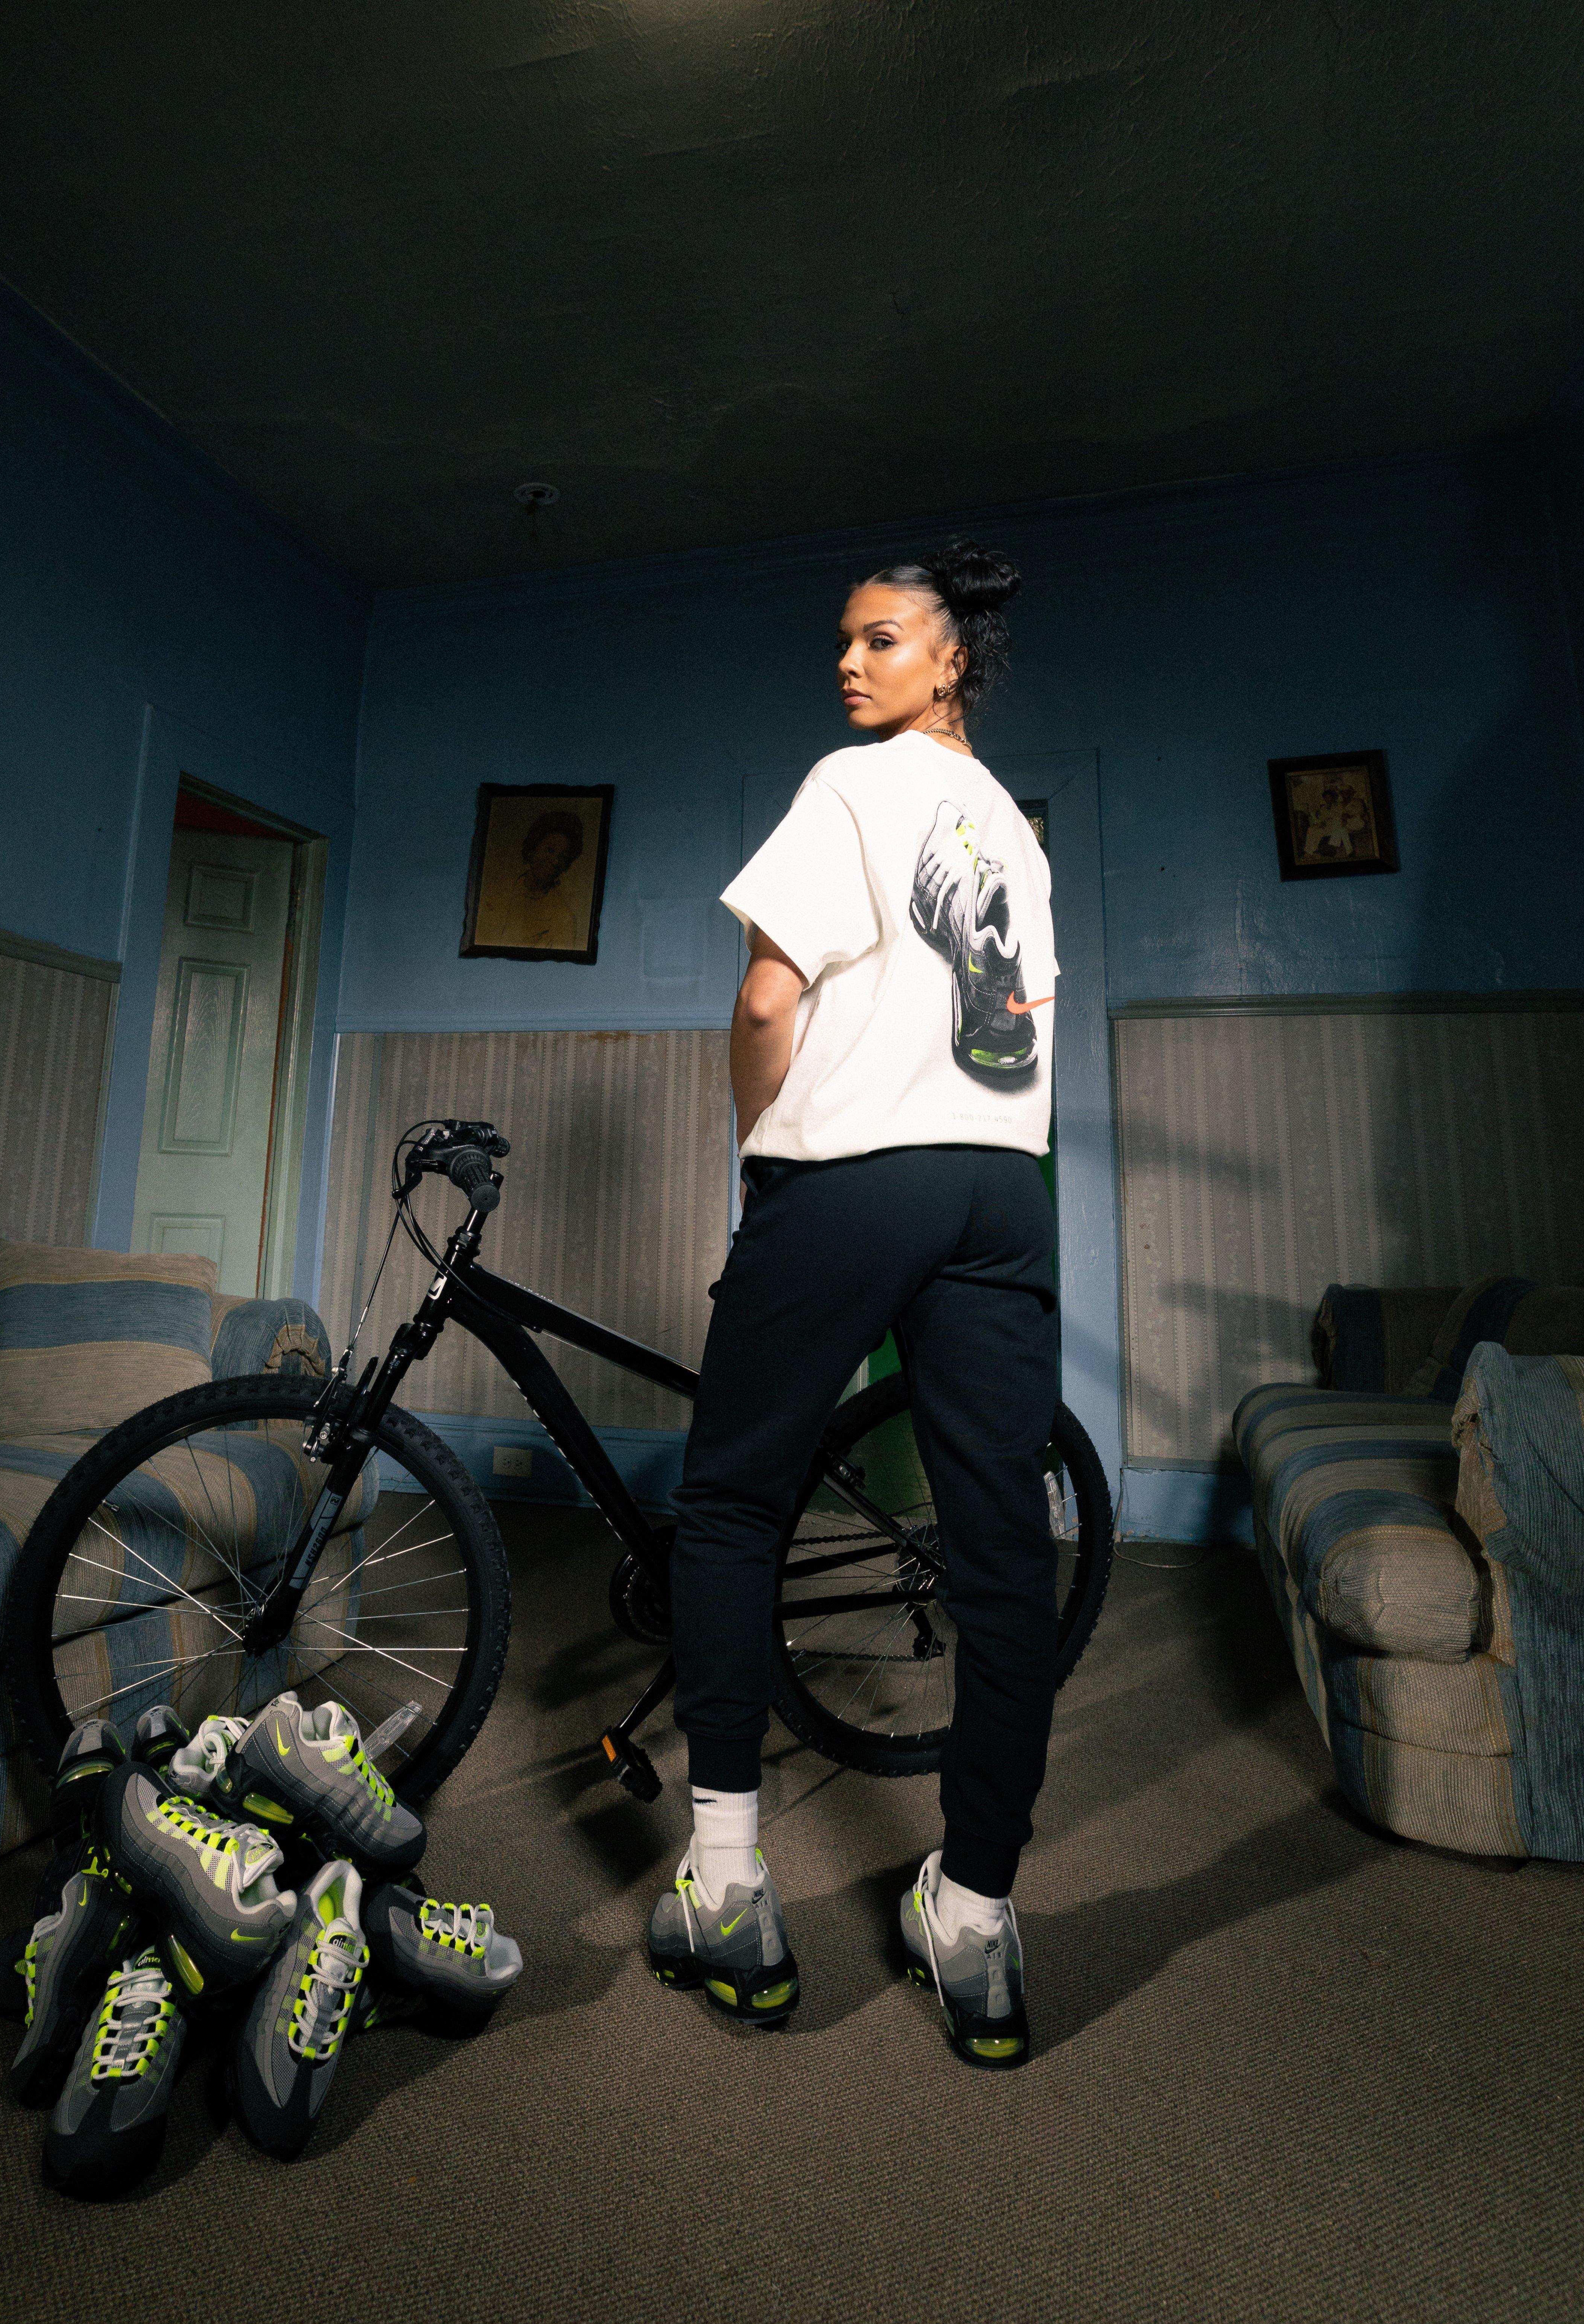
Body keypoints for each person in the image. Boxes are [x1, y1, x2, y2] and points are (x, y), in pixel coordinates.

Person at [645, 540, 1058, 2068]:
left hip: (856, 1177)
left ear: (947, 658)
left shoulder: (847, 783)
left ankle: (729, 1879)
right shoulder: (1010, 826)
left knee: (735, 1501)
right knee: (1001, 1548)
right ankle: (975, 1918)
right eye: (840, 640)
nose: (847, 661)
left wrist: (761, 1152)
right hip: (1000, 1189)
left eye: (879, 639)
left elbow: (767, 997)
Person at [481, 808, 585, 950]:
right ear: (534, 848)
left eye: (562, 857)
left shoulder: (563, 919)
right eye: (550, 850)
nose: (554, 861)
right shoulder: (498, 893)